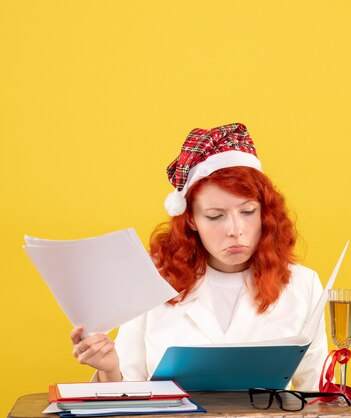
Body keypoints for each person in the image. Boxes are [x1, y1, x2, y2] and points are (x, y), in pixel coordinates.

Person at [69, 123, 328, 391]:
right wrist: (109, 369)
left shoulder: (303, 285)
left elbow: (319, 394)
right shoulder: (153, 280)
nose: (235, 230)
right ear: (191, 219)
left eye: (248, 211)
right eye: (215, 216)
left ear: (265, 212)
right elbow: (126, 392)